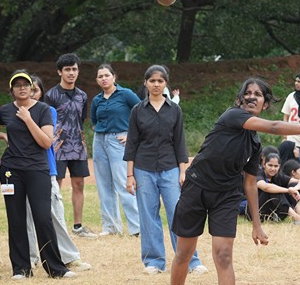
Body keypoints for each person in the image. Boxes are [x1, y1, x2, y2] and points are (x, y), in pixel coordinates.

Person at [160, 78, 300, 285]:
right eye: (248, 93)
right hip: (196, 188)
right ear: (240, 100)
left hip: (226, 196)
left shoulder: (254, 144)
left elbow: (251, 183)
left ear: (265, 103)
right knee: (184, 253)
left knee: (223, 256)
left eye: (259, 94)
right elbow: (274, 126)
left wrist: (256, 224)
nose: (253, 97)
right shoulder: (232, 116)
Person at [0, 70, 75, 279]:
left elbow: (46, 142)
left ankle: (56, 268)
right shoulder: (6, 110)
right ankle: (21, 269)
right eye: (17, 85)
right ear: (11, 90)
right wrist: (2, 136)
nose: (22, 88)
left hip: (37, 169)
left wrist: (28, 119)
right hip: (11, 170)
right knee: (16, 218)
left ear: (31, 88)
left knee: (43, 218)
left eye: (25, 85)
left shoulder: (42, 110)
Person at [124, 65, 207, 273]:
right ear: (145, 83)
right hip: (143, 168)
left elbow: (179, 142)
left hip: (170, 168)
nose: (156, 85)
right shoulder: (137, 111)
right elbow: (131, 144)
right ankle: (154, 261)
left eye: (160, 81)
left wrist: (182, 171)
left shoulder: (175, 110)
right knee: (148, 216)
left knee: (178, 214)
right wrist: (130, 175)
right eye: (152, 81)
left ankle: (190, 260)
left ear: (166, 84)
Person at [22, 75, 91, 274]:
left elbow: (46, 140)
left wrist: (27, 119)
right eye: (28, 89)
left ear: (41, 92)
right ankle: (31, 258)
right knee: (26, 216)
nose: (31, 93)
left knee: (55, 215)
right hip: (23, 170)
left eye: (35, 89)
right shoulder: (15, 112)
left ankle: (68, 256)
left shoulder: (47, 111)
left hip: (45, 169)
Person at [45, 53, 98, 238]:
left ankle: (78, 226)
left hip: (78, 145)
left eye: (74, 69)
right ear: (59, 72)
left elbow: (81, 119)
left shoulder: (82, 95)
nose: (71, 73)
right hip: (57, 147)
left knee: (79, 184)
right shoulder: (50, 95)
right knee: (55, 186)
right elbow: (47, 120)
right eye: (67, 69)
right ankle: (55, 227)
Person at [91, 63, 141, 236]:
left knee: (123, 183)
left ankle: (136, 228)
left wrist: (131, 134)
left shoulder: (125, 94)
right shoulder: (97, 100)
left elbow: (142, 112)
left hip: (119, 141)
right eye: (100, 76)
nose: (104, 79)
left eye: (107, 75)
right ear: (97, 80)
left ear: (114, 77)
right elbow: (94, 122)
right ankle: (110, 227)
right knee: (104, 185)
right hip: (99, 141)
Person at [254, 152, 300, 225]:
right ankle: (296, 218)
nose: (273, 168)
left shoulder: (278, 176)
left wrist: (294, 189)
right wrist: (288, 190)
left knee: (293, 185)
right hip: (258, 211)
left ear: (279, 166)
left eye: (276, 166)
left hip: (275, 212)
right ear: (264, 165)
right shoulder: (258, 174)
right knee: (274, 190)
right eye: (270, 165)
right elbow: (265, 187)